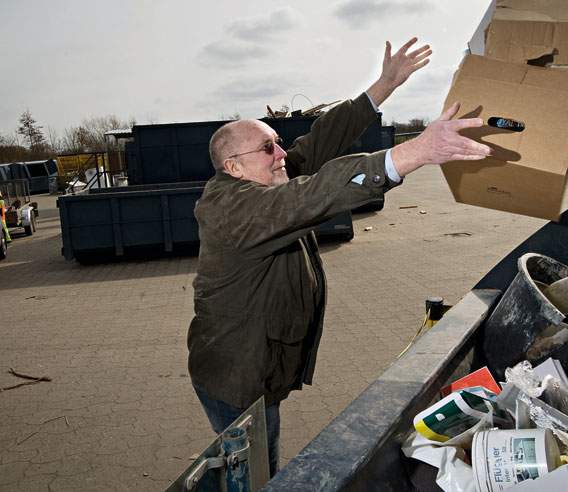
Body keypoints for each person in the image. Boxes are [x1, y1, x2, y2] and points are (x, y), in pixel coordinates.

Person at [187, 37, 491, 476]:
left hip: (258, 366)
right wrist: (414, 152)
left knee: (258, 456)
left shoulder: (263, 178)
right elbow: (312, 194)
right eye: (268, 147)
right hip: (235, 376)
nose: (281, 154)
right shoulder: (231, 209)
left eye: (277, 143)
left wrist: (382, 87)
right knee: (254, 470)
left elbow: (320, 141)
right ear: (232, 167)